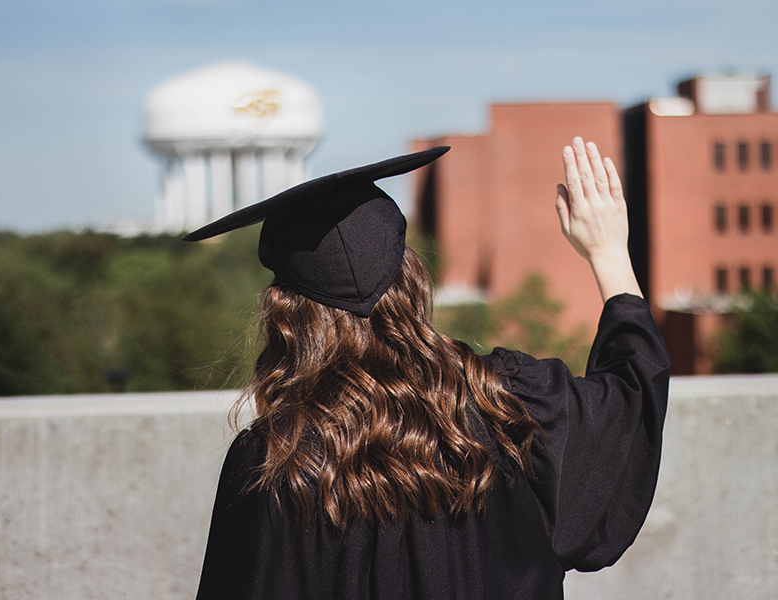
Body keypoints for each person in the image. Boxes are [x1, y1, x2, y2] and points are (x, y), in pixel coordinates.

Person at [186, 138, 670, 600]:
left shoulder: (276, 462)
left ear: (283, 310)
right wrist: (608, 254)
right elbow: (628, 396)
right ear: (413, 278)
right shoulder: (511, 406)